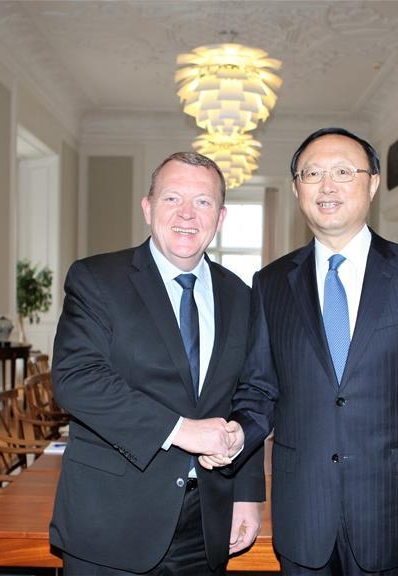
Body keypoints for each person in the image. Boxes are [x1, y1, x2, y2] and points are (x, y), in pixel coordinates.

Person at [205, 127, 398, 575]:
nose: (327, 186)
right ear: (296, 189)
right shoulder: (270, 284)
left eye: (343, 172)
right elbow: (259, 389)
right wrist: (238, 435)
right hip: (303, 512)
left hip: (392, 510)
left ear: (371, 184)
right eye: (313, 174)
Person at [50, 152, 265, 575]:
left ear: (219, 218)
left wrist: (247, 494)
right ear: (148, 208)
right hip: (110, 523)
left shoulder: (241, 295)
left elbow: (247, 396)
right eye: (172, 198)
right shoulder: (97, 279)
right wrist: (183, 431)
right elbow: (76, 379)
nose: (187, 214)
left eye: (202, 202)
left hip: (205, 525)